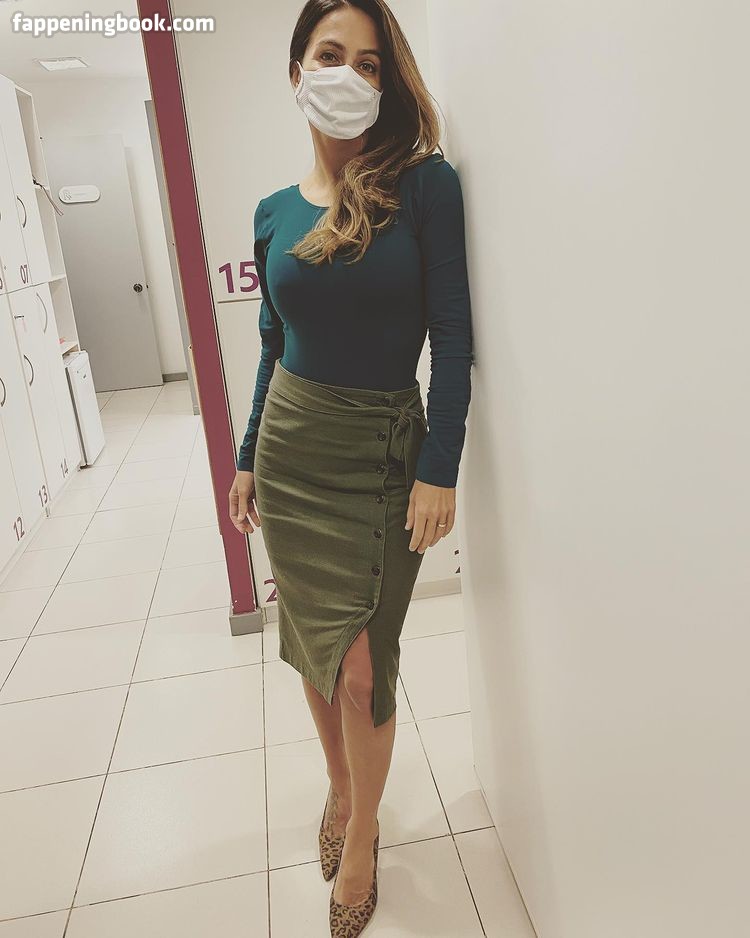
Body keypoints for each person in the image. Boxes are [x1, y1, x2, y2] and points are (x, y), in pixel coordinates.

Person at [228, 1, 474, 933]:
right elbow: (271, 342)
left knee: (367, 666)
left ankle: (363, 833)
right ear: (298, 70)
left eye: (370, 64)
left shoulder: (426, 187)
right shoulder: (273, 212)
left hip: (380, 456)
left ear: (388, 81)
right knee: (314, 646)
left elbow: (452, 335)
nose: (349, 76)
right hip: (291, 452)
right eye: (331, 55)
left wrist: (440, 466)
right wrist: (249, 456)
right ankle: (339, 785)